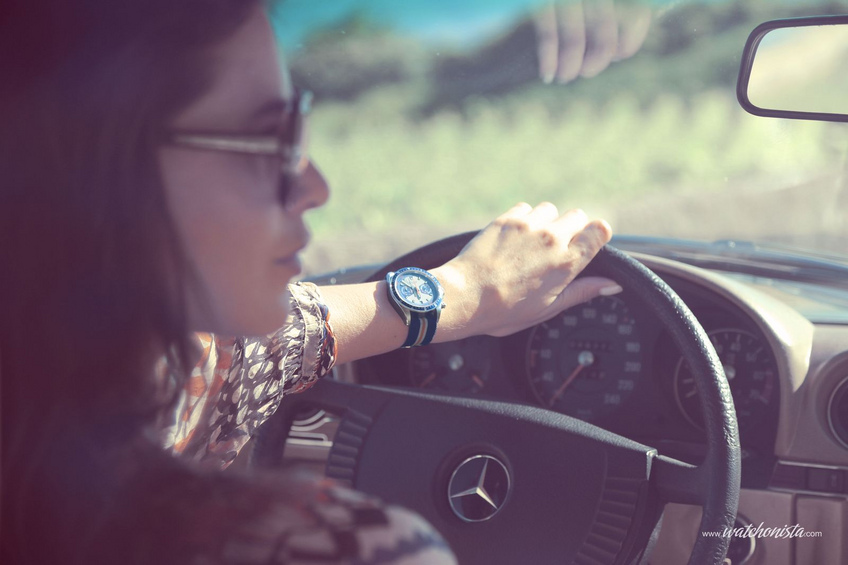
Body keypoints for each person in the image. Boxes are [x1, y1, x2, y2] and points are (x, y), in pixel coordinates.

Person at [0, 1, 619, 563]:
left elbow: (250, 353)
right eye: (270, 139)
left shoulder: (83, 370)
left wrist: (464, 293)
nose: (315, 185)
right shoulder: (342, 549)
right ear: (97, 177)